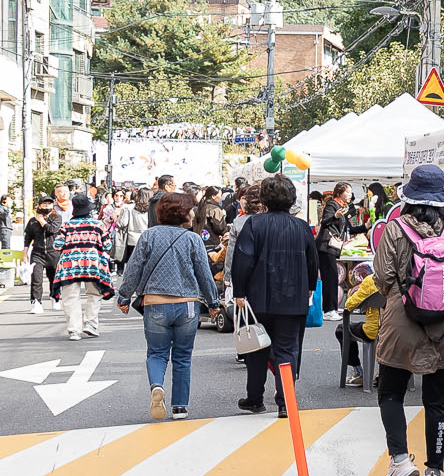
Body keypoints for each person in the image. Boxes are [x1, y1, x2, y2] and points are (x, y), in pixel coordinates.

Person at [370, 166, 444, 476]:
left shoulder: (395, 228)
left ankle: (400, 461)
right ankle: (434, 473)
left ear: (409, 196)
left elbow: (384, 279)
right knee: (437, 399)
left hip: (402, 322)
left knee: (390, 392)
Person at [116, 195, 220, 421]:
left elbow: (133, 270)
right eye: (191, 210)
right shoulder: (193, 240)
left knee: (156, 353)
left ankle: (156, 386)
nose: (193, 214)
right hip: (187, 307)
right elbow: (205, 275)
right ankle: (180, 407)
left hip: (155, 305)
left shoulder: (148, 237)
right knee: (183, 357)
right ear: (182, 213)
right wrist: (213, 304)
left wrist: (124, 297)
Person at [232, 173, 317, 418]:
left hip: (257, 297)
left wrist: (239, 291)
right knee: (288, 349)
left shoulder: (254, 224)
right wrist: (310, 286)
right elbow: (312, 262)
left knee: (255, 348)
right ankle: (285, 401)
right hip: (293, 296)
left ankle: (255, 397)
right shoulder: (301, 226)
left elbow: (243, 259)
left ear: (265, 199)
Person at [52, 191, 114, 341]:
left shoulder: (67, 225)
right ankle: (90, 324)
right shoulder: (98, 224)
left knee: (71, 297)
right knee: (93, 294)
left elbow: (57, 245)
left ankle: (74, 330)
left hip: (69, 265)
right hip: (93, 264)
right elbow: (107, 245)